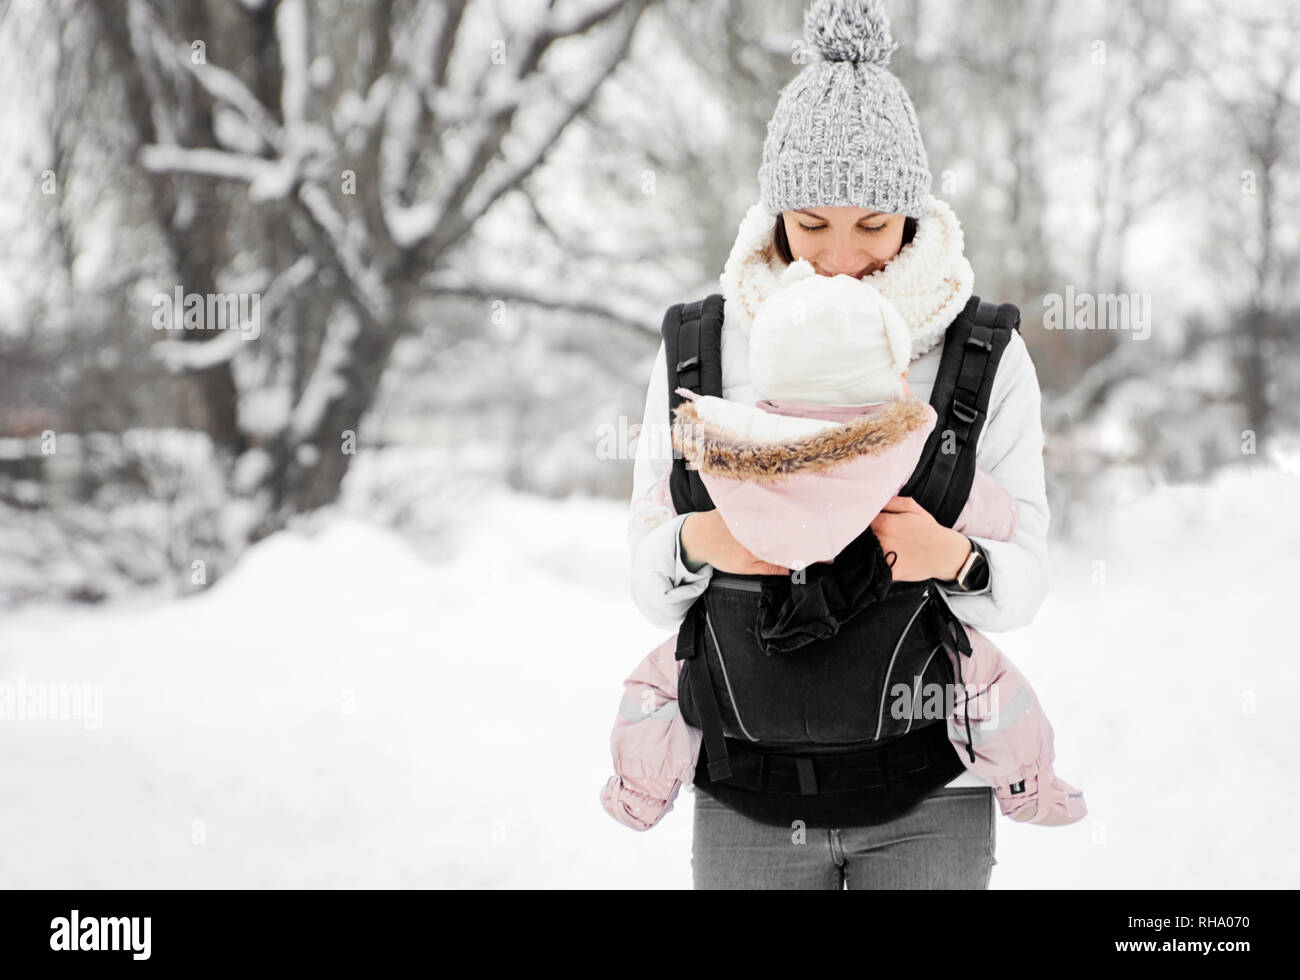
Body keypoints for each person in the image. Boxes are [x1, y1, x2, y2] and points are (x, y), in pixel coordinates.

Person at [625, 0, 1055, 889]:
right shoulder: (702, 347)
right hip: (746, 794)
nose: (839, 258)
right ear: (775, 213)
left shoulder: (982, 354)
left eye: (873, 226)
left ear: (914, 214)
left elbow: (1027, 578)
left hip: (933, 793)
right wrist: (704, 540)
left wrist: (956, 558)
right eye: (811, 225)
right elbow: (646, 581)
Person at [602, 266, 1084, 839]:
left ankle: (640, 789)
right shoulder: (913, 452)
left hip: (747, 695)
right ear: (893, 376)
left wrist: (695, 539)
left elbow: (660, 517)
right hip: (901, 712)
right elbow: (998, 516)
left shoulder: (726, 451)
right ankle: (1028, 783)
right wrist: (957, 552)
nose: (840, 249)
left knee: (662, 681)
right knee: (983, 678)